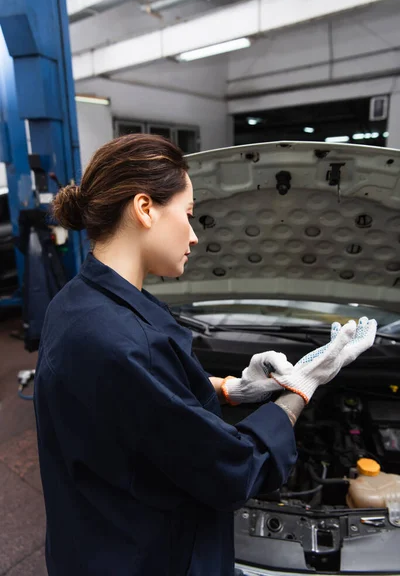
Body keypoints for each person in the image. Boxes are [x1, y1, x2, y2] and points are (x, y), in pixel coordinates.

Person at [33, 134, 377, 576]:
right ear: (144, 208)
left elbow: (144, 409)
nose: (194, 237)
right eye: (189, 215)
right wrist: (301, 389)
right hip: (150, 558)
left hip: (95, 541)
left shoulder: (76, 304)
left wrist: (233, 388)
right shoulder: (121, 344)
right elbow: (234, 471)